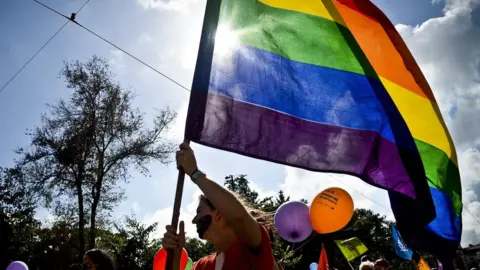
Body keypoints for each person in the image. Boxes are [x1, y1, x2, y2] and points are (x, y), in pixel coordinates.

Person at [162, 142, 275, 269]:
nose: (194, 220)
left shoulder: (252, 245)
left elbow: (239, 217)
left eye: (199, 211)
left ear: (219, 213)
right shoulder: (202, 266)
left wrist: (195, 173)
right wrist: (176, 255)